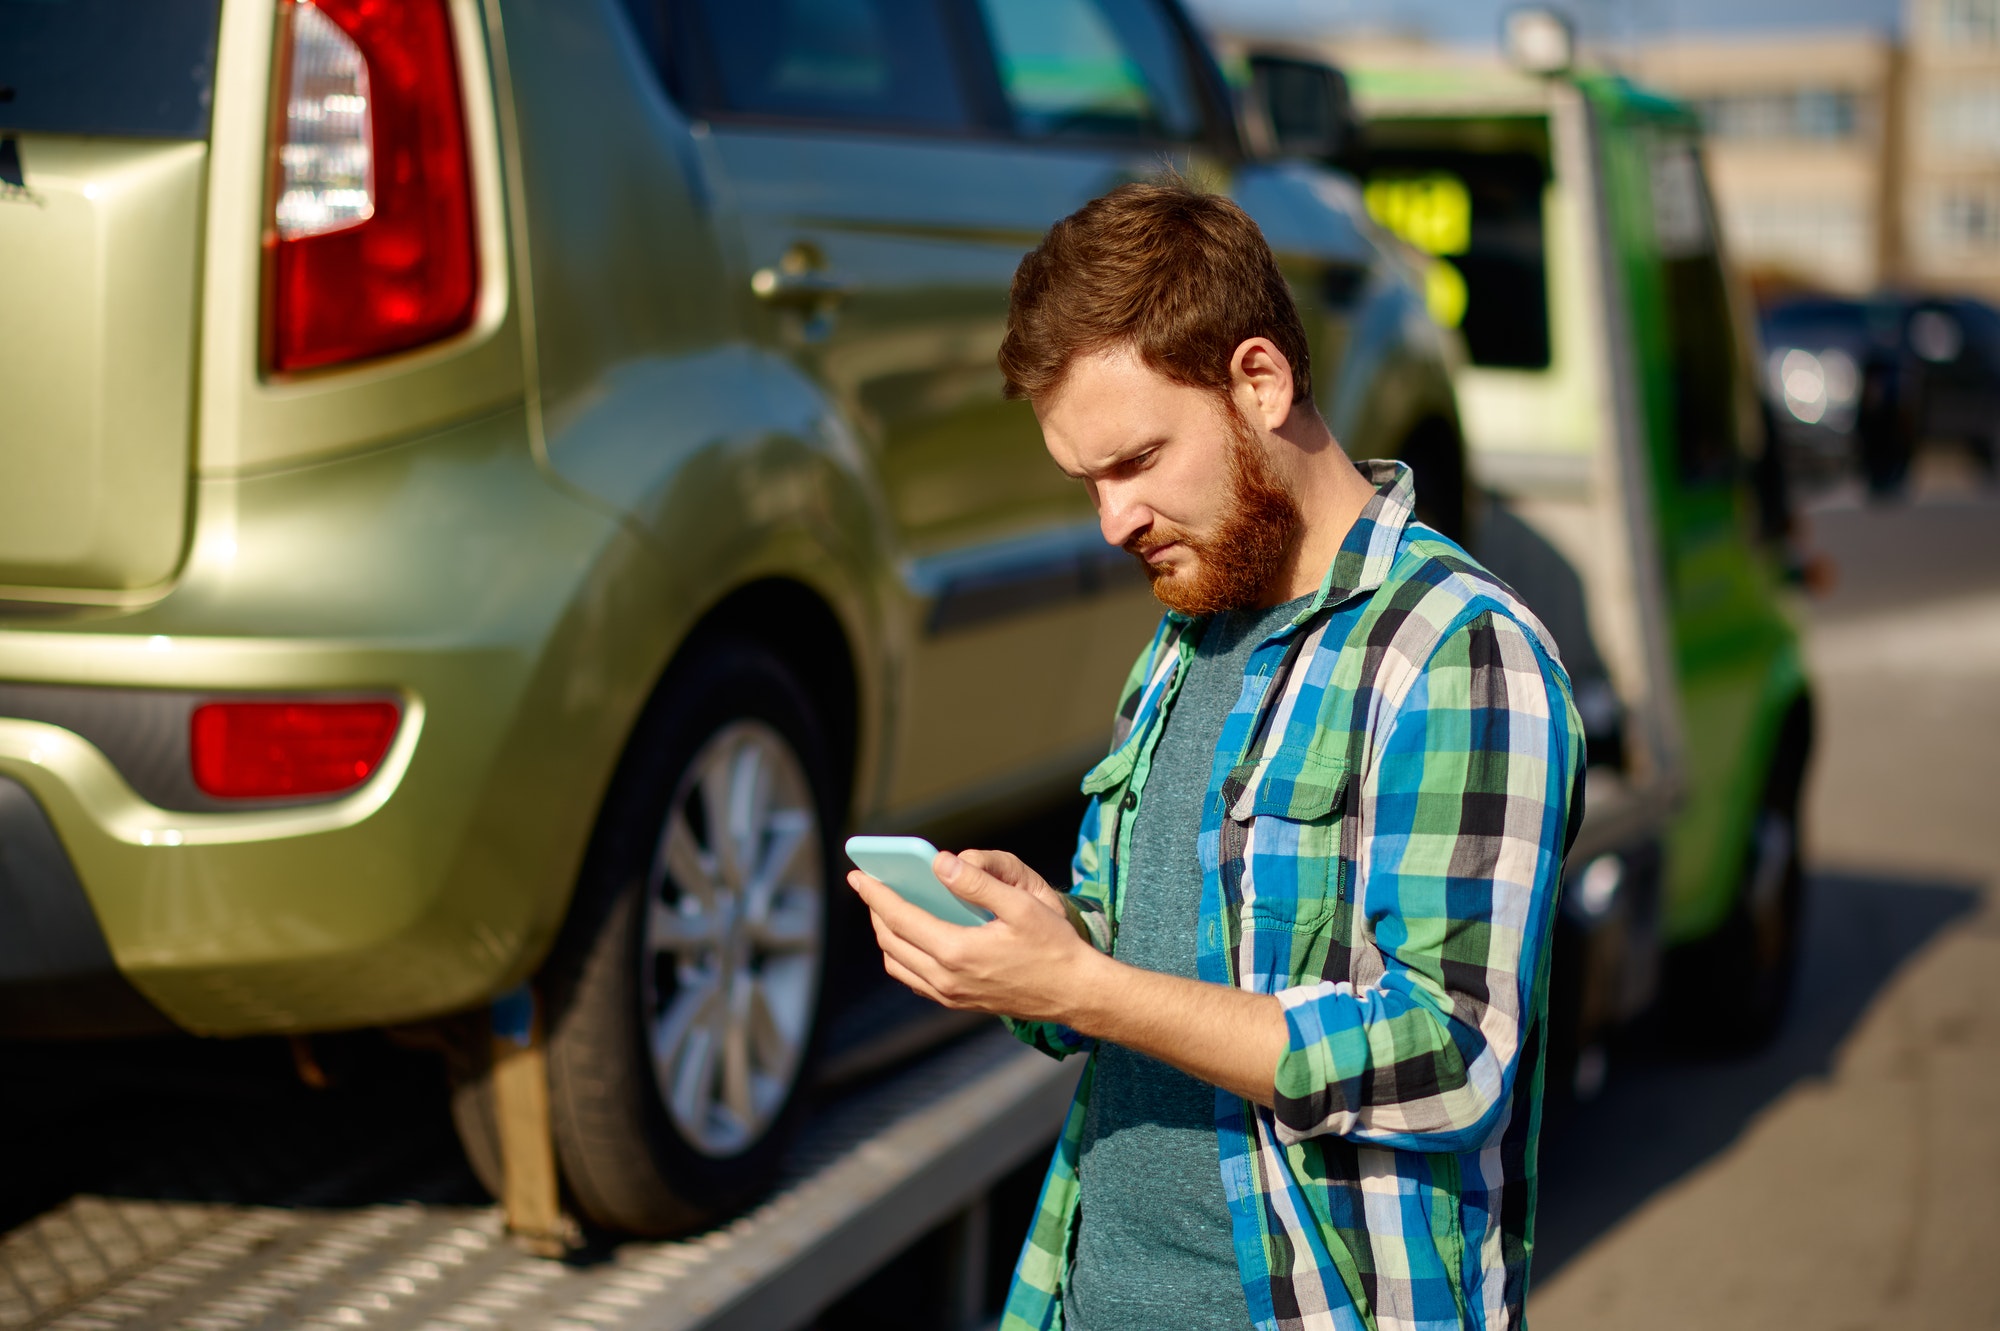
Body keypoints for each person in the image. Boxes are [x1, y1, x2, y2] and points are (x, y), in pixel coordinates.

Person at [848, 178, 1585, 1331]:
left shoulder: (1459, 652)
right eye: (1087, 479)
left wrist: (1088, 986)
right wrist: (1037, 945)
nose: (1111, 519)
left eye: (1137, 459)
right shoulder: (1184, 637)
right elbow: (1148, 975)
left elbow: (1447, 1059)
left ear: (1259, 379)